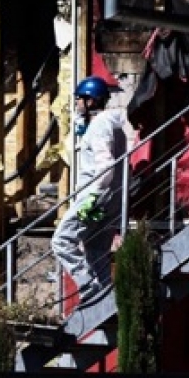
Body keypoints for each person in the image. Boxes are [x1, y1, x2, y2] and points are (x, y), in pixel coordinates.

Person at [51, 76, 128, 306]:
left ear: (91, 101)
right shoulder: (112, 125)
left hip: (96, 194)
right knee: (96, 249)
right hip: (112, 196)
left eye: (79, 100)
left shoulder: (100, 125)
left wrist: (93, 196)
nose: (76, 104)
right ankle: (104, 298)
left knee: (61, 240)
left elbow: (106, 164)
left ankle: (88, 286)